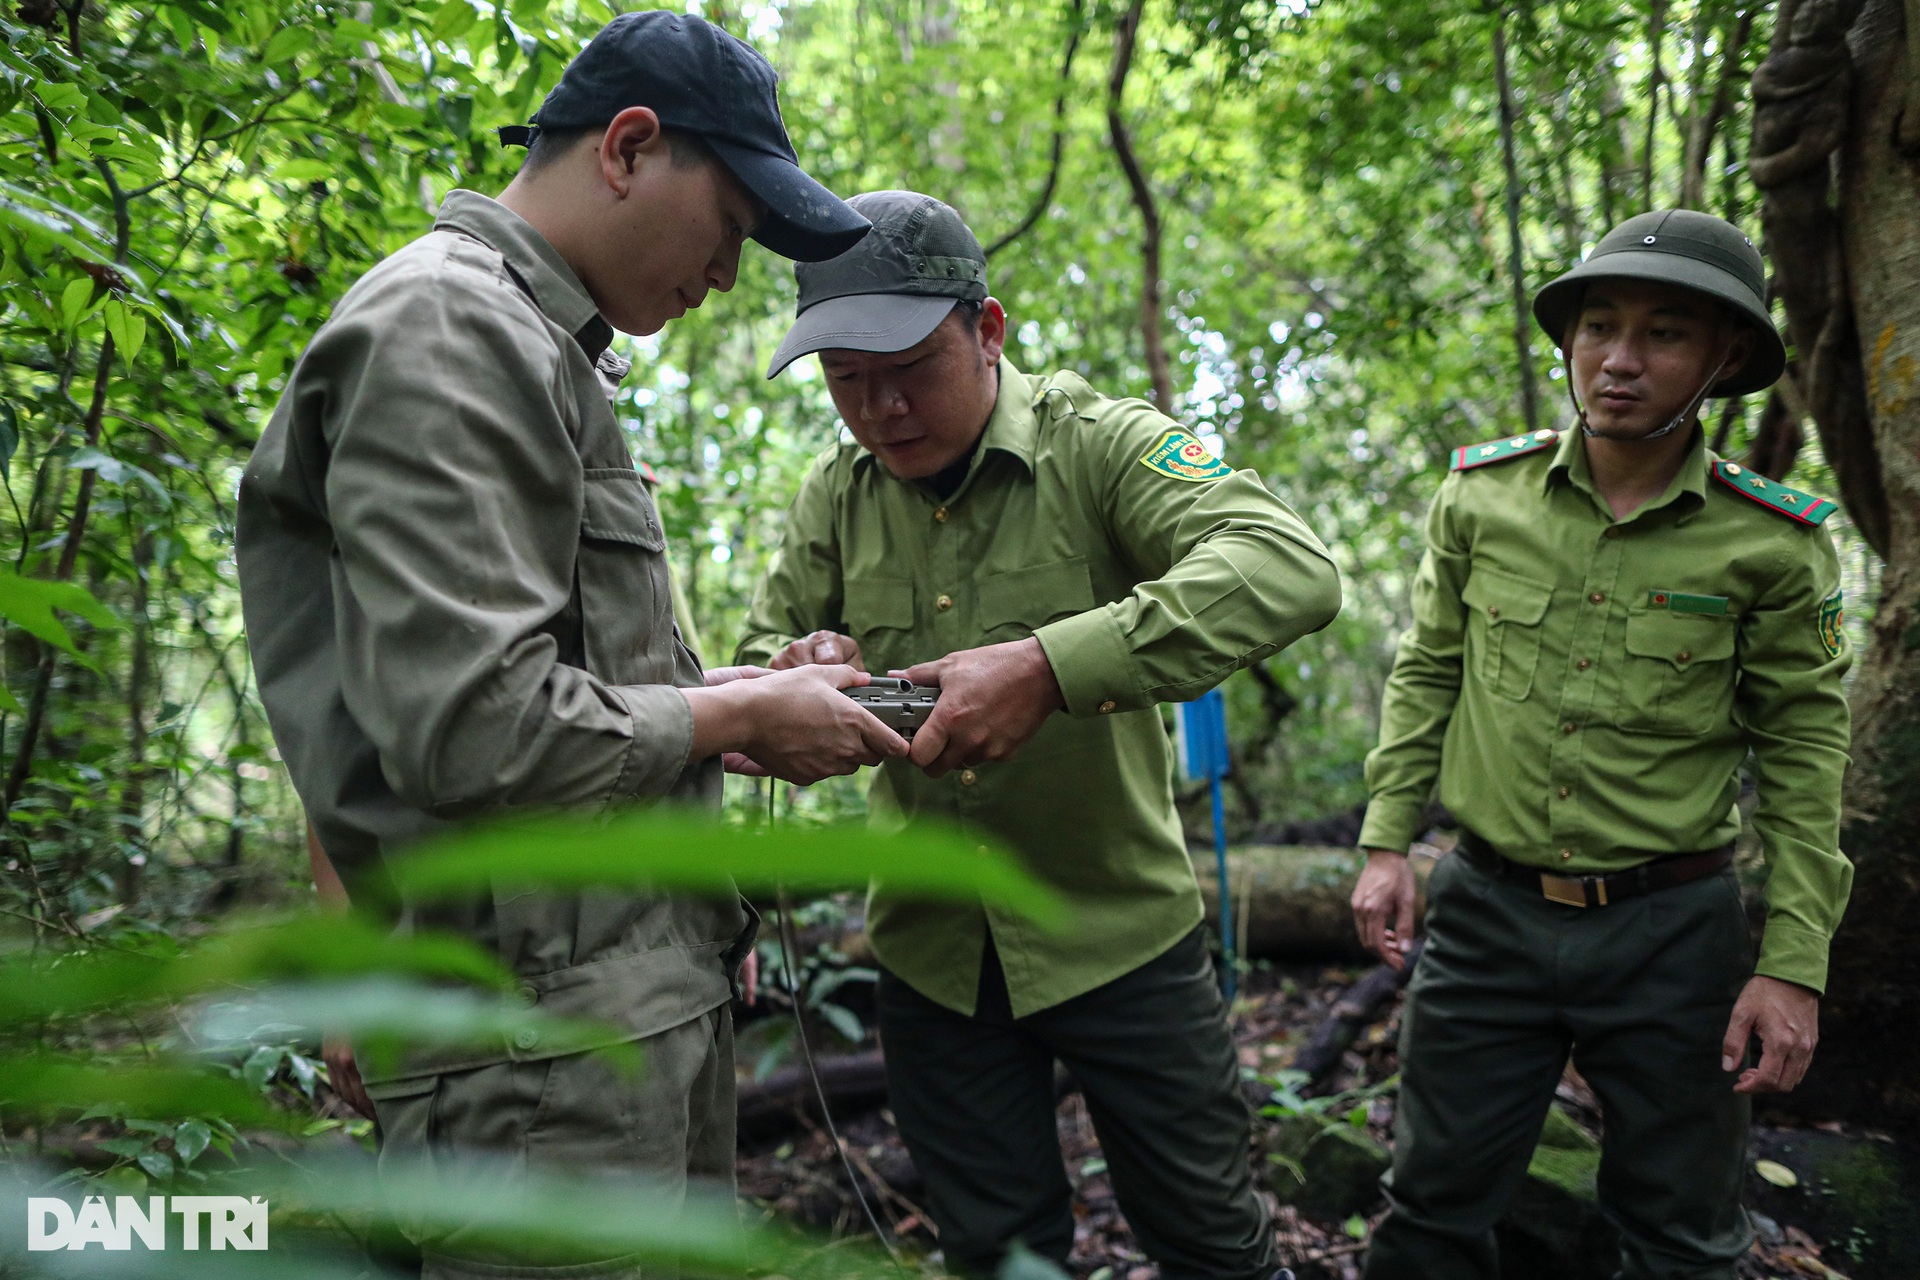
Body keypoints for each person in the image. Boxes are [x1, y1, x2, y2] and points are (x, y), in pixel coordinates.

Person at [237, 13, 908, 1278]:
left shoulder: (541, 350)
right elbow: (474, 726)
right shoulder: (448, 329)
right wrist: (740, 719)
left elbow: (574, 690)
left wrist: (746, 691)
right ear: (630, 147)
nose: (725, 276)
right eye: (730, 230)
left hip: (615, 1027)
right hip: (532, 1062)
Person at [736, 190, 1339, 1280]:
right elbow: (760, 648)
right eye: (844, 379)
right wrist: (797, 665)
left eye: (908, 366)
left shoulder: (1101, 447)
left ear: (989, 329)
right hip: (931, 956)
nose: (879, 407)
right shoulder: (836, 495)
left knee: (1210, 1238)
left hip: (1120, 934)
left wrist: (1052, 667)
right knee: (997, 1251)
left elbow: (1285, 565)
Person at [1350, 209, 1854, 1280]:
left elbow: (1806, 753)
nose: (1619, 360)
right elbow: (1427, 666)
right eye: (1599, 326)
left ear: (1723, 358)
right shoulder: (1485, 496)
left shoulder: (1770, 542)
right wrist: (1386, 841)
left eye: (1664, 334)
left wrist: (1793, 964)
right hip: (1485, 911)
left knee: (1683, 1232)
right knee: (1431, 1211)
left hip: (1672, 932)